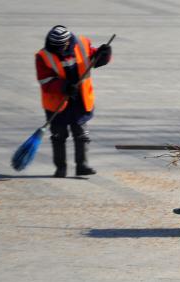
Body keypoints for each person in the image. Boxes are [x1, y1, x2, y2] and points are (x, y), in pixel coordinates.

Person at [35, 25, 112, 177]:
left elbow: (95, 59)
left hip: (80, 100)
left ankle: (82, 165)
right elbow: (45, 80)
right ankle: (60, 168)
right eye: (56, 48)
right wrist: (64, 87)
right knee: (59, 136)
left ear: (67, 42)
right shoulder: (43, 56)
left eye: (62, 47)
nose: (59, 51)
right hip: (57, 102)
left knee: (81, 134)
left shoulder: (82, 44)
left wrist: (104, 54)